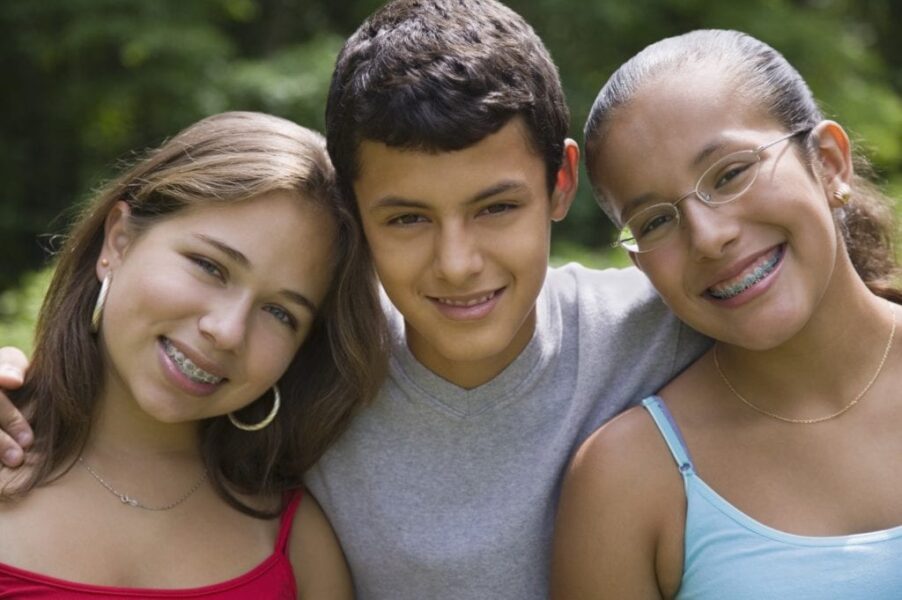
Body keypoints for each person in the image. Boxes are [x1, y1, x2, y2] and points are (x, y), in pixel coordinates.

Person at [0, 2, 710, 598]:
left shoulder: (675, 325)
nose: (458, 264)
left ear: (561, 186)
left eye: (496, 208)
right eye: (406, 218)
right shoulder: (326, 387)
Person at [552, 29, 902, 599]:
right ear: (641, 264)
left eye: (731, 174)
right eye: (656, 221)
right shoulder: (629, 480)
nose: (709, 238)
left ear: (830, 164)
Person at [0, 111, 386, 598]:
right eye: (210, 266)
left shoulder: (296, 545)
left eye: (281, 313)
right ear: (118, 240)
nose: (227, 332)